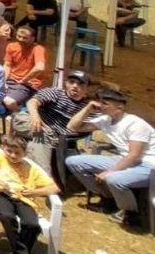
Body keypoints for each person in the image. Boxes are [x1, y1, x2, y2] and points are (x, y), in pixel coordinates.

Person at [65, 88, 155, 226]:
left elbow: (134, 155)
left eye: (105, 103)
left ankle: (132, 213)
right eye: (100, 102)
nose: (100, 105)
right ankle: (108, 199)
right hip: (125, 159)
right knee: (73, 162)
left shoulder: (135, 124)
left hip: (148, 164)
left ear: (119, 107)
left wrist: (109, 172)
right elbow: (72, 127)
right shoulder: (105, 120)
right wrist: (88, 108)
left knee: (113, 179)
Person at [14, 70, 92, 178]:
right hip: (29, 121)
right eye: (72, 82)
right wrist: (35, 116)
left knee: (39, 141)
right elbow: (32, 102)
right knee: (42, 135)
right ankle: (45, 178)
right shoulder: (55, 93)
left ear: (87, 88)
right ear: (66, 83)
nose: (75, 86)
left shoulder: (86, 108)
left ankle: (36, 175)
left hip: (44, 134)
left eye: (80, 84)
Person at [1, 26, 47, 114]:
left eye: (25, 38)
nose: (21, 39)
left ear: (33, 38)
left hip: (27, 84)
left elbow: (40, 68)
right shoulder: (11, 46)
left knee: (8, 100)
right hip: (11, 80)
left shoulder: (38, 49)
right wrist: (3, 81)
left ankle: (18, 114)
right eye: (19, 36)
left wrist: (24, 80)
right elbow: (7, 65)